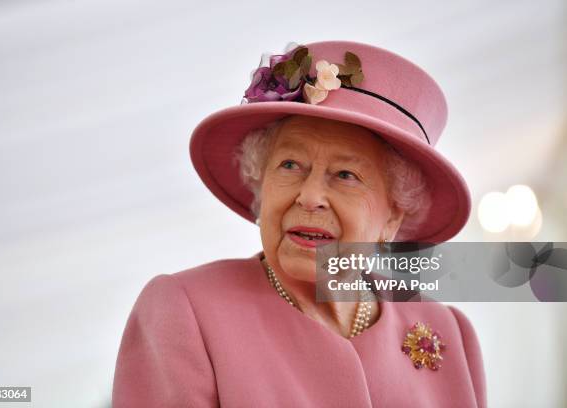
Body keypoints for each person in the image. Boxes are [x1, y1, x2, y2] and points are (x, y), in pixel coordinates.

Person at [112, 40, 486, 407]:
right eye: (290, 165)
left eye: (345, 174)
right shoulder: (186, 310)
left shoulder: (449, 332)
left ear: (392, 216)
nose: (309, 196)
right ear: (260, 185)